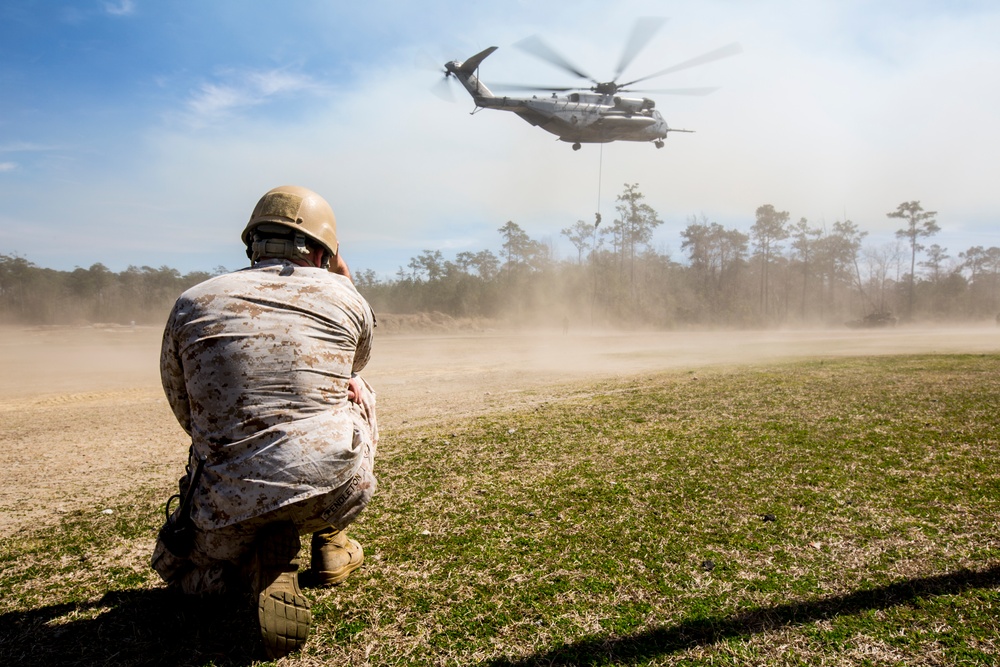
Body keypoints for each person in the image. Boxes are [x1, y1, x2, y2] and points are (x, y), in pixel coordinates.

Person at [151, 185, 378, 659]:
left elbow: (186, 412)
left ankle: (247, 559)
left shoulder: (192, 301)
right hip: (332, 491)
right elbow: (353, 362)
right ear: (323, 250)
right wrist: (343, 279)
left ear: (252, 242)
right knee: (357, 389)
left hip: (229, 502)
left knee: (188, 580)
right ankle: (330, 541)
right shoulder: (346, 298)